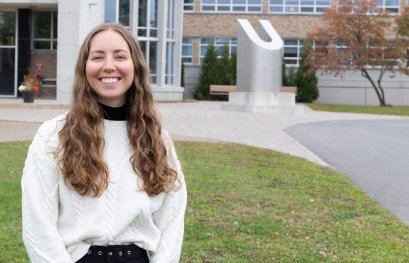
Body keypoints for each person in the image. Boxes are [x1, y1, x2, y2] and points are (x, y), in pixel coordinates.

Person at [21, 23, 187, 263]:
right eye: (98, 57)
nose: (109, 65)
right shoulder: (52, 135)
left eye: (120, 56)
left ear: (135, 66)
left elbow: (172, 220)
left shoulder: (157, 138)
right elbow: (38, 226)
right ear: (84, 67)